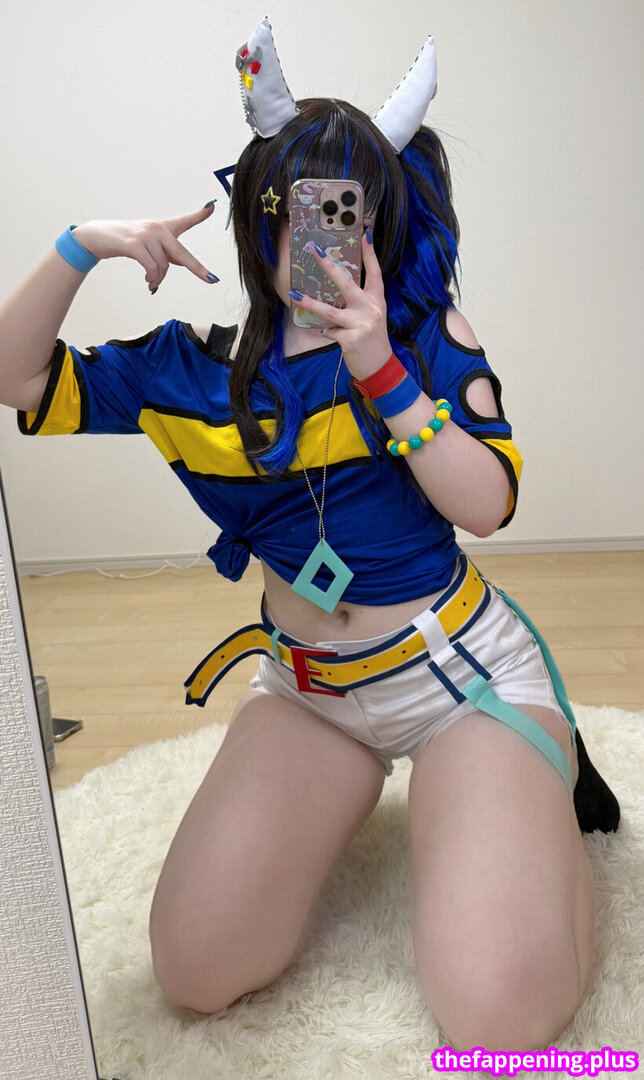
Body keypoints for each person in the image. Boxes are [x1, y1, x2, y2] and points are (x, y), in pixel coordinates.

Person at [0, 15, 619, 1054]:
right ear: (260, 214)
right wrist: (83, 244)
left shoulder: (421, 338)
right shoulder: (188, 371)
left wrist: (381, 369)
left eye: (345, 209)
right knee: (196, 970)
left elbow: (486, 506)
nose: (318, 235)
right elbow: (15, 378)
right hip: (306, 692)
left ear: (377, 219)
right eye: (295, 208)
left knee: (500, 1013)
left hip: (456, 678)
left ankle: (533, 776)